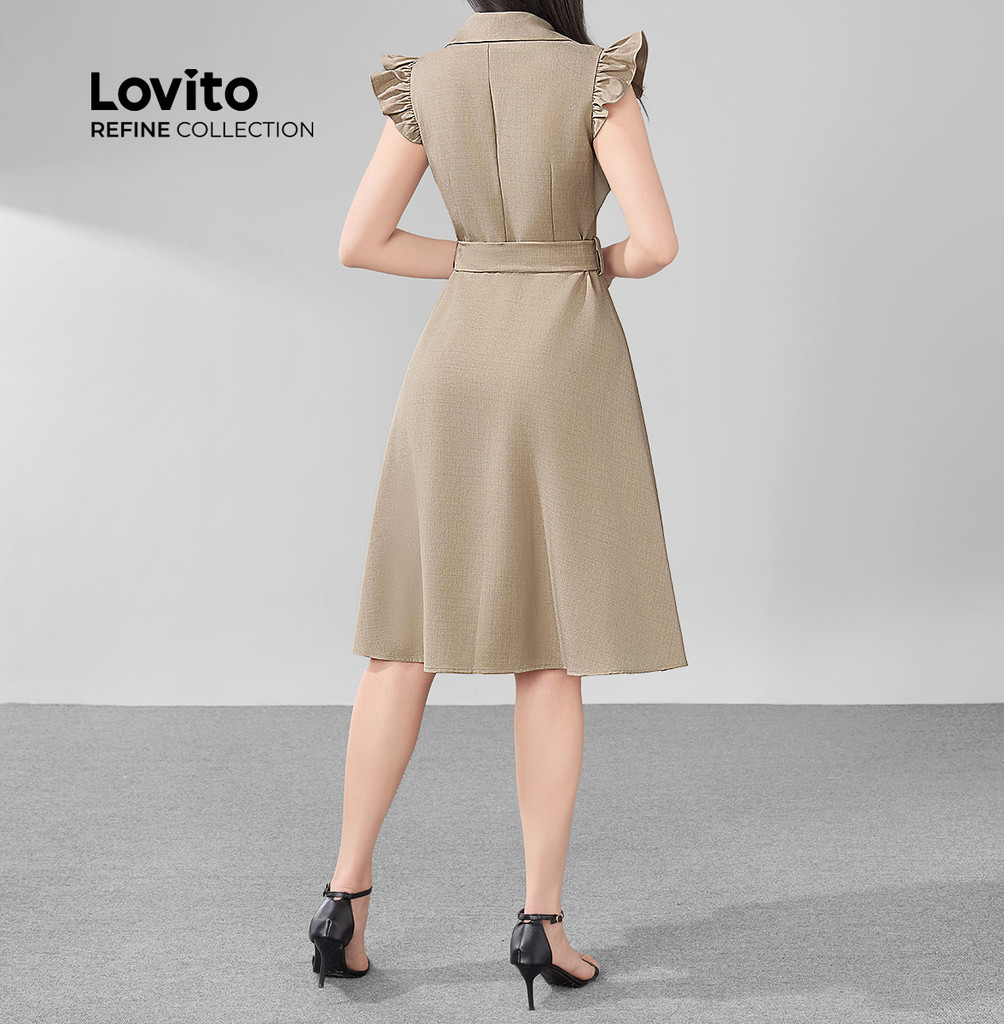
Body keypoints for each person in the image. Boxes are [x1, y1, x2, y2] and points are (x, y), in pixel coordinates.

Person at [308, 1, 688, 1010]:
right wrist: (575, 262)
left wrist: (482, 258)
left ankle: (344, 898)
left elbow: (361, 241)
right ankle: (540, 922)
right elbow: (654, 245)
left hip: (454, 361)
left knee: (403, 639)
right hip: (563, 358)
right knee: (550, 647)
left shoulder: (423, 82)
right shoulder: (595, 76)